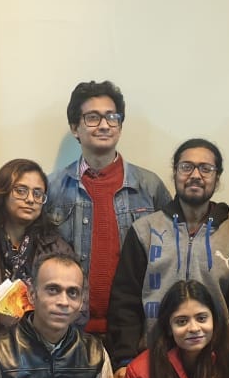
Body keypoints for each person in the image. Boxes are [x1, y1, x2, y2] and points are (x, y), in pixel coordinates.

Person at [108, 138, 229, 373]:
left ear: (217, 178)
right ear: (175, 173)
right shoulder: (145, 230)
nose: (195, 175)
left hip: (216, 363)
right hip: (152, 362)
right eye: (186, 167)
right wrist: (124, 359)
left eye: (206, 168)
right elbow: (125, 301)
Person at [44, 80, 171, 336]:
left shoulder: (149, 187)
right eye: (93, 117)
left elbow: (171, 258)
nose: (104, 125)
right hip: (69, 329)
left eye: (112, 117)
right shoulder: (52, 188)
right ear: (75, 128)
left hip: (134, 329)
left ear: (120, 126)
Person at [0, 158, 74, 327]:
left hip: (44, 337)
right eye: (21, 191)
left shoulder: (57, 248)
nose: (31, 199)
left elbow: (78, 305)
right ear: (2, 194)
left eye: (38, 193)